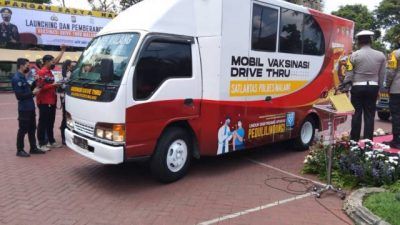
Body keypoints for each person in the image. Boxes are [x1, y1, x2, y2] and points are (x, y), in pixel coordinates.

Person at [343, 30, 387, 141]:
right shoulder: (381, 55)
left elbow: (349, 74)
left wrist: (345, 89)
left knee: (356, 115)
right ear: (370, 41)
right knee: (370, 116)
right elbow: (382, 75)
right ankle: (368, 144)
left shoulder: (354, 55)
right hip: (373, 87)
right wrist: (380, 89)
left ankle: (354, 142)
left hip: (357, 87)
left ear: (359, 42)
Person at [11, 58, 46, 157]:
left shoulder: (24, 77)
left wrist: (36, 87)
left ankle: (33, 147)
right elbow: (19, 96)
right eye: (27, 65)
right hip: (24, 108)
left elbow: (28, 93)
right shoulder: (17, 78)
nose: (28, 67)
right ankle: (20, 149)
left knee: (32, 128)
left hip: (30, 107)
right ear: (21, 66)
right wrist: (32, 93)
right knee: (22, 129)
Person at [36, 45, 66, 150]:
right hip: (44, 101)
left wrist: (62, 51)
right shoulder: (41, 72)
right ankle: (41, 143)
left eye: (54, 62)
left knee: (51, 122)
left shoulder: (50, 71)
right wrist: (54, 85)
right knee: (43, 122)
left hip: (52, 100)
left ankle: (51, 141)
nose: (54, 63)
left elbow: (57, 61)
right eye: (52, 62)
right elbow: (40, 88)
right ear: (46, 62)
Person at [383, 37, 400, 148]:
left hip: (397, 89)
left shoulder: (395, 53)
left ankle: (396, 141)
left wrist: (387, 86)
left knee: (396, 115)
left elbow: (390, 72)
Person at [59, 60, 75, 145]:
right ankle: (63, 137)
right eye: (71, 65)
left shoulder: (69, 73)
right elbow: (62, 86)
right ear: (68, 66)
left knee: (68, 118)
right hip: (66, 99)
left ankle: (67, 136)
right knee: (65, 118)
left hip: (69, 99)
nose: (72, 67)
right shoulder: (65, 75)